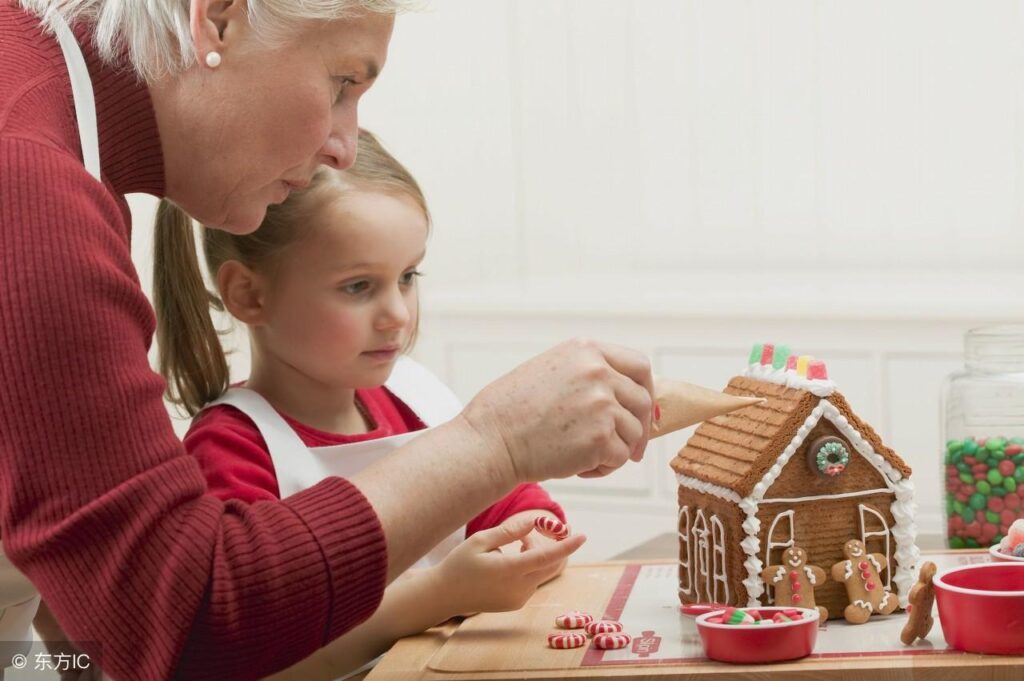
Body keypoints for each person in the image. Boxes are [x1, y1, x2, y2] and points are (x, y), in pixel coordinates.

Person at [0, 2, 654, 679]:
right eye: (343, 83)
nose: (344, 145)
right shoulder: (25, 186)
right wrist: (496, 440)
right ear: (219, 19)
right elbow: (184, 620)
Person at [157, 129, 577, 678]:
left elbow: (524, 508)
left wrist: (527, 542)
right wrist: (439, 595)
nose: (398, 314)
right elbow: (251, 652)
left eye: (407, 277)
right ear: (249, 295)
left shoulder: (416, 397)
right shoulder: (230, 448)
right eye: (358, 286)